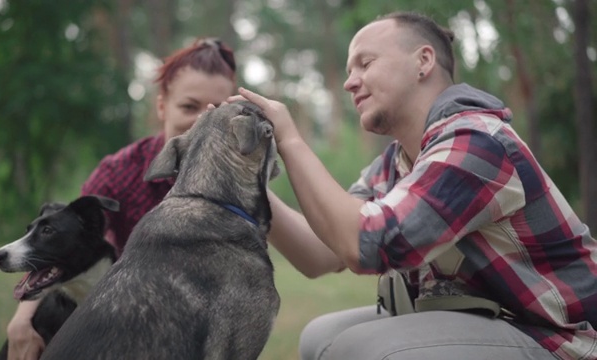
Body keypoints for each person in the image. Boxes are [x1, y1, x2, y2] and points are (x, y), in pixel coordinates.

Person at [232, 11, 597, 360]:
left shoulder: (476, 140)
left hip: (563, 340)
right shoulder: (397, 163)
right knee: (319, 336)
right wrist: (246, 184)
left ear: (423, 61)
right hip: (502, 323)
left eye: (366, 63)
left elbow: (366, 244)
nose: (348, 82)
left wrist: (292, 142)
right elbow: (319, 253)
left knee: (357, 348)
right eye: (347, 70)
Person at [4, 37, 238, 360]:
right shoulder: (120, 172)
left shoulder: (240, 180)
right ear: (161, 106)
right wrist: (21, 321)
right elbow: (67, 241)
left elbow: (322, 258)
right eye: (189, 106)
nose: (203, 121)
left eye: (217, 110)